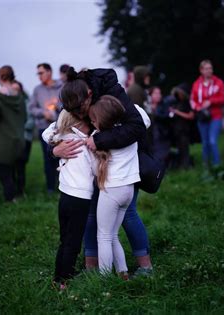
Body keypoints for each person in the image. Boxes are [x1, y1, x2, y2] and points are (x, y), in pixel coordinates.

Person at [55, 67, 153, 276]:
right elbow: (57, 129)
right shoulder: (74, 100)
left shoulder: (112, 93)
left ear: (90, 94)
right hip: (103, 169)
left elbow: (137, 125)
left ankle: (141, 266)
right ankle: (98, 268)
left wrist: (98, 140)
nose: (81, 117)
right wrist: (55, 149)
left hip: (122, 170)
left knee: (122, 220)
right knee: (95, 218)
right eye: (74, 113)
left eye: (82, 111)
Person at [89, 95, 142, 278]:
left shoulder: (98, 139)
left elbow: (96, 171)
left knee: (103, 235)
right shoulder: (130, 134)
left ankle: (103, 281)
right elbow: (144, 117)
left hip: (111, 190)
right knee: (112, 235)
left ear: (102, 120)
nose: (92, 122)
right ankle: (123, 272)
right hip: (128, 190)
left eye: (94, 119)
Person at [42, 110, 95, 289]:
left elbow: (46, 132)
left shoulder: (61, 137)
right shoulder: (83, 142)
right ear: (78, 124)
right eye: (88, 121)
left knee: (65, 239)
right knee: (73, 242)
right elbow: (95, 168)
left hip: (64, 196)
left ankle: (59, 276)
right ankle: (64, 280)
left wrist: (57, 129)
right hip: (80, 198)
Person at [0, 66, 26, 202]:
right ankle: (14, 196)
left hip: (2, 141)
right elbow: (24, 118)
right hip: (18, 140)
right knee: (11, 170)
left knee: (2, 171)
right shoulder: (19, 97)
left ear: (1, 77)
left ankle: (10, 199)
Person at [29, 63, 63, 193]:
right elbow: (31, 108)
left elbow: (67, 107)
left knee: (62, 156)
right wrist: (43, 112)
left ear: (49, 72)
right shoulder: (37, 90)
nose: (39, 76)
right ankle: (50, 187)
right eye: (38, 73)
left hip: (61, 128)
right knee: (48, 158)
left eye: (41, 72)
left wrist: (54, 113)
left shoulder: (61, 87)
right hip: (44, 129)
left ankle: (63, 186)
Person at [190, 60, 224, 167]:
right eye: (206, 68)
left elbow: (223, 98)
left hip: (215, 116)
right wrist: (198, 107)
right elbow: (192, 100)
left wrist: (210, 101)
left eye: (210, 68)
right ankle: (206, 166)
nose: (209, 70)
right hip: (202, 117)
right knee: (205, 143)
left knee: (212, 141)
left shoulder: (218, 82)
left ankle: (217, 166)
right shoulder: (196, 84)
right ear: (201, 70)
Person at [12, 80, 34, 197]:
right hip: (10, 140)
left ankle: (20, 191)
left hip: (24, 139)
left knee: (20, 166)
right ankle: (11, 191)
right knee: (10, 166)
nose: (15, 91)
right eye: (13, 89)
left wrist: (17, 127)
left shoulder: (27, 104)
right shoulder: (8, 104)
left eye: (17, 89)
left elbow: (31, 123)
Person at [168, 84, 194, 169]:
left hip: (184, 129)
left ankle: (186, 165)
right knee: (179, 148)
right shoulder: (177, 102)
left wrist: (177, 112)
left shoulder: (187, 103)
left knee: (184, 148)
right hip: (177, 130)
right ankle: (181, 165)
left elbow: (190, 116)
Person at [148, 86, 172, 163]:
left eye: (159, 93)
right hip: (150, 135)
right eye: (156, 93)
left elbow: (165, 117)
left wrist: (155, 113)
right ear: (150, 95)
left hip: (162, 135)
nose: (158, 95)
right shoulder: (147, 106)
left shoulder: (164, 104)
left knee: (161, 155)